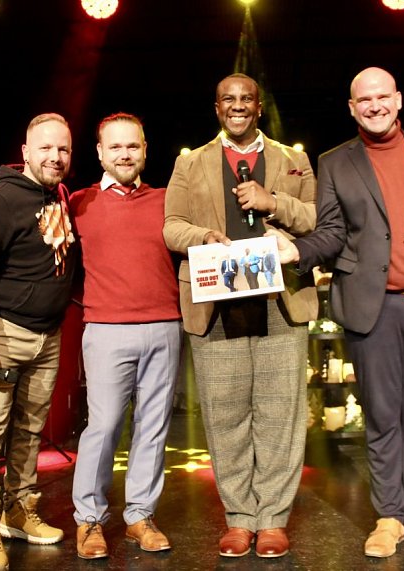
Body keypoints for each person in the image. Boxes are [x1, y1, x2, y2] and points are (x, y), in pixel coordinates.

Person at [272, 67, 404, 558]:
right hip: (372, 308)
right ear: (352, 106)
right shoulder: (336, 162)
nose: (375, 105)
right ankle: (388, 517)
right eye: (365, 99)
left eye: (383, 97)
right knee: (383, 416)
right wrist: (298, 252)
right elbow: (333, 232)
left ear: (398, 101)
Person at [163, 73, 317, 558]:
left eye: (245, 99)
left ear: (259, 106)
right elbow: (171, 227)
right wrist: (204, 238)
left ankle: (271, 518)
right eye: (228, 100)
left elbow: (318, 217)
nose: (237, 106)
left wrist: (276, 203)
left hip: (280, 302)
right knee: (226, 414)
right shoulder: (191, 164)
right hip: (217, 300)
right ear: (216, 108)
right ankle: (238, 517)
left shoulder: (294, 160)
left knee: (279, 414)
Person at [0, 113, 77, 571]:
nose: (55, 157)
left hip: (46, 336)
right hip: (1, 333)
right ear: (25, 152)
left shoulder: (58, 196)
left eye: (63, 149)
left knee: (28, 432)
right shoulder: (2, 201)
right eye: (45, 148)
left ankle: (19, 511)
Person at [69, 113, 181, 559]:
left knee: (153, 429)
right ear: (99, 153)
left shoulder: (168, 201)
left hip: (164, 326)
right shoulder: (78, 203)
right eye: (114, 147)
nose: (124, 154)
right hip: (106, 329)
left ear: (145, 149)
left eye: (132, 146)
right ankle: (90, 521)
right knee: (103, 427)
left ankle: (140, 516)